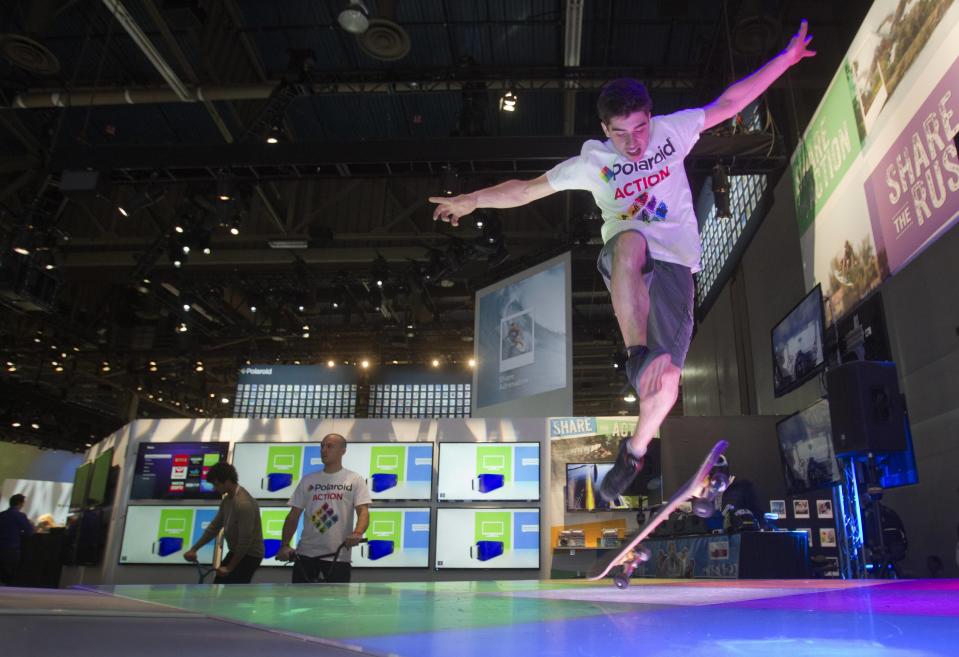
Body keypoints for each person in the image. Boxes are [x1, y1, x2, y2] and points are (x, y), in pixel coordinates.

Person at [429, 21, 816, 501]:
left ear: (651, 118)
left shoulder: (673, 131)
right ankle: (636, 355)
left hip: (677, 265)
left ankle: (633, 454)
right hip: (628, 257)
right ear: (603, 130)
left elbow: (730, 103)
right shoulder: (591, 162)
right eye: (620, 134)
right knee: (629, 239)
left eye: (640, 129)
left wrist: (785, 59)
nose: (634, 143)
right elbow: (525, 191)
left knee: (669, 380)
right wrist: (472, 199)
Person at [276, 433, 371, 583]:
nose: (324, 450)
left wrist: (358, 532)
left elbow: (363, 511)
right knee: (300, 604)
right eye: (322, 446)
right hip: (305, 555)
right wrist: (284, 545)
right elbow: (293, 515)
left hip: (337, 557)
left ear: (343, 451)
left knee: (335, 606)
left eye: (330, 446)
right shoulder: (308, 480)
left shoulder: (355, 479)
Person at [183, 462, 264, 584]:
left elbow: (245, 541)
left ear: (227, 481)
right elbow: (214, 528)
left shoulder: (244, 504)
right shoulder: (227, 500)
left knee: (232, 594)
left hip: (250, 555)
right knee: (219, 585)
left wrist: (229, 568)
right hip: (236, 551)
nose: (215, 488)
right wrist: (194, 549)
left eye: (216, 484)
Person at [0, 494, 35, 585]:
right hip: (12, 548)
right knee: (10, 575)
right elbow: (29, 532)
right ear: (20, 503)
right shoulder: (20, 515)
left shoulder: (2, 514)